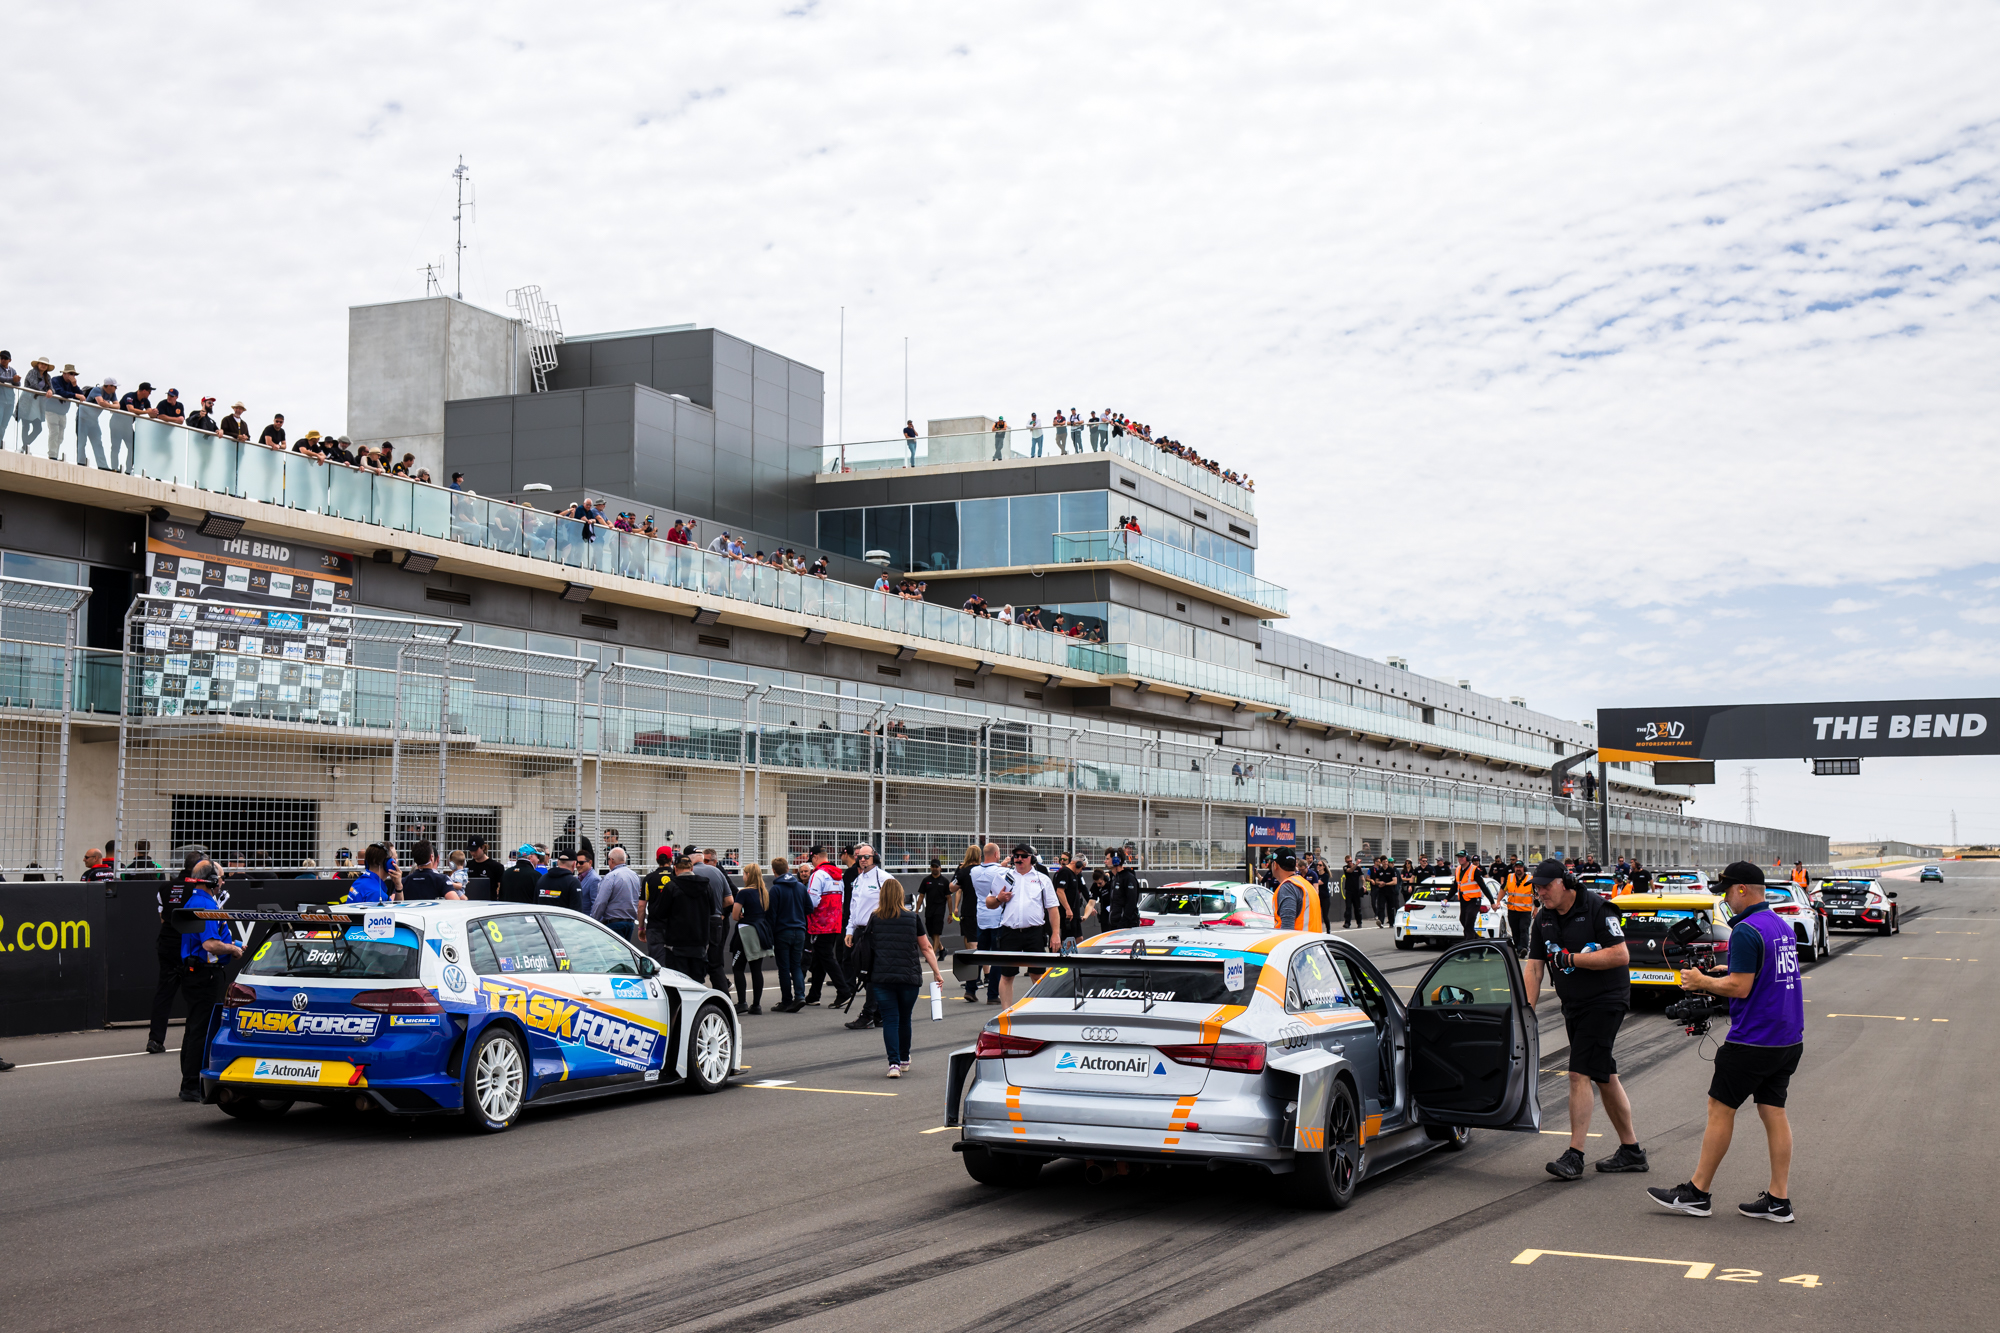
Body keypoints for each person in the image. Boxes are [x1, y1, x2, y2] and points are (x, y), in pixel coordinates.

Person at [1648, 862, 1807, 1222]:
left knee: (1720, 1109)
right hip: (1787, 1038)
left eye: (1726, 890)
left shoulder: (1746, 930)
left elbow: (1741, 987)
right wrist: (1725, 972)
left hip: (1754, 1039)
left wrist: (1702, 981)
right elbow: (1761, 974)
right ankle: (1779, 1200)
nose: (1724, 897)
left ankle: (1697, 1192)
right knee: (1773, 1111)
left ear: (1741, 890)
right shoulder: (1780, 925)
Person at [1523, 857, 1648, 1181]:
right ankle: (1631, 1151)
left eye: (1546, 886)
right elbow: (1535, 966)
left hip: (1606, 1001)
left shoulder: (1597, 909)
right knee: (1604, 1074)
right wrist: (1526, 1010)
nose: (1541, 893)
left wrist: (1572, 959)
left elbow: (1621, 954)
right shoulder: (1544, 918)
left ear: (1565, 883)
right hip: (1574, 1004)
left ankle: (1575, 1156)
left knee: (1578, 1073)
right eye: (1536, 887)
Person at [855, 879, 946, 1077]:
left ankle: (893, 1064)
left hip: (882, 977)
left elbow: (867, 946)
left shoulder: (875, 918)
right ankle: (905, 1059)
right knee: (905, 1019)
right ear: (900, 895)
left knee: (890, 1020)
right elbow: (926, 947)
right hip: (908, 977)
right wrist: (937, 972)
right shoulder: (912, 918)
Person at [174, 860, 242, 1100]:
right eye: (221, 878)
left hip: (197, 973)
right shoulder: (204, 905)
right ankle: (191, 1085)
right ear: (212, 880)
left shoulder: (198, 901)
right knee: (201, 1030)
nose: (223, 882)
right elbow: (209, 944)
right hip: (204, 975)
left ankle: (190, 1081)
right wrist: (232, 950)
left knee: (194, 1028)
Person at [145, 855, 209, 1054]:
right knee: (197, 995)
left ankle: (155, 1040)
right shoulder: (200, 890)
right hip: (188, 947)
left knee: (164, 992)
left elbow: (163, 919)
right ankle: (196, 1040)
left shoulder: (165, 887)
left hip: (167, 944)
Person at [987, 843, 1059, 1007]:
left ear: (1031, 859)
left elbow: (1053, 909)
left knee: (1038, 975)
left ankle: (1040, 1011)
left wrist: (1055, 934)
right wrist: (999, 898)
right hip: (1009, 932)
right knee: (1006, 975)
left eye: (1023, 856)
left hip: (1034, 933)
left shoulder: (1042, 879)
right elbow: (989, 902)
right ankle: (1005, 1013)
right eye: (1016, 856)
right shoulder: (1005, 877)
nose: (1019, 859)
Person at [842, 844, 890, 1030]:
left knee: (871, 974)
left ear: (874, 857)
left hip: (877, 931)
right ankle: (878, 1013)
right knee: (864, 972)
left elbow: (896, 902)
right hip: (860, 932)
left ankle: (869, 1013)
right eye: (859, 857)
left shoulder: (884, 878)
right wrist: (849, 930)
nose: (862, 860)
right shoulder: (857, 880)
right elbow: (853, 909)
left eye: (866, 857)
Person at [650, 855, 716, 981]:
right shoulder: (706, 885)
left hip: (677, 943)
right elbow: (713, 910)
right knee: (697, 981)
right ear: (691, 867)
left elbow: (660, 913)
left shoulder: (671, 886)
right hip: (700, 941)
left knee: (679, 981)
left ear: (675, 868)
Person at [802, 846, 850, 1006]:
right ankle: (814, 995)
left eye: (812, 860)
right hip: (835, 921)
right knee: (819, 959)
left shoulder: (817, 875)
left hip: (820, 923)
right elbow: (841, 900)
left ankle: (843, 991)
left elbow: (812, 901)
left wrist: (804, 910)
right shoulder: (837, 875)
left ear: (815, 857)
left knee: (826, 958)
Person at [767, 856, 811, 1012]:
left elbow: (771, 914)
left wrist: (771, 934)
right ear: (788, 869)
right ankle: (800, 996)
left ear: (774, 871)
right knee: (796, 965)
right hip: (799, 930)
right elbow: (809, 908)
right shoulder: (800, 887)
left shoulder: (776, 889)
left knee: (784, 968)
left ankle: (786, 1000)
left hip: (782, 932)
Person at [691, 848, 735, 994]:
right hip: (717, 921)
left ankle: (698, 998)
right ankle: (725, 1000)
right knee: (715, 964)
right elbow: (730, 900)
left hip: (698, 923)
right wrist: (717, 910)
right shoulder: (717, 872)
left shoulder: (690, 874)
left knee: (695, 961)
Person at [732, 861, 771, 1013]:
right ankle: (756, 1005)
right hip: (760, 931)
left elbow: (735, 915)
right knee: (756, 969)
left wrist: (741, 915)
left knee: (738, 967)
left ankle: (742, 1002)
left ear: (748, 875)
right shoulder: (764, 892)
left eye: (744, 874)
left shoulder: (744, 892)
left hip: (746, 932)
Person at [592, 846, 643, 941]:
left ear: (611, 860)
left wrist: (593, 920)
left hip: (613, 923)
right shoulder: (635, 876)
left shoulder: (611, 876)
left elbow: (601, 902)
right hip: (630, 923)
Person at [1269, 848, 1322, 931]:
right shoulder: (1306, 884)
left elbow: (1287, 928)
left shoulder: (1288, 887)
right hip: (1313, 942)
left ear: (1275, 865)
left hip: (1298, 942)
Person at [915, 857, 952, 956]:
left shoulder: (944, 881)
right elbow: (921, 896)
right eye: (933, 866)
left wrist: (950, 913)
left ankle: (933, 954)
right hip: (929, 909)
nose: (935, 868)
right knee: (931, 933)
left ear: (940, 868)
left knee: (936, 932)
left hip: (940, 910)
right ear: (930, 867)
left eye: (937, 867)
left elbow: (949, 898)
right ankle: (942, 949)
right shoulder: (926, 880)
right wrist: (917, 910)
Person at [1503, 858, 1536, 955]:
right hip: (1512, 910)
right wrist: (1497, 902)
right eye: (1517, 867)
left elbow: (1536, 895)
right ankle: (1518, 948)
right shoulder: (1510, 877)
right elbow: (1503, 889)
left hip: (1525, 911)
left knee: (1523, 929)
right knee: (1515, 931)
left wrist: (1536, 909)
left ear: (1524, 868)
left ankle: (1524, 948)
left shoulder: (1530, 879)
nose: (1518, 869)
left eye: (1520, 867)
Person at [1454, 851, 1487, 939]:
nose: (1460, 859)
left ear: (1467, 858)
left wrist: (1492, 902)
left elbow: (1483, 886)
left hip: (1474, 900)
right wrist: (1446, 898)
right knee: (1463, 921)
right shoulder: (1458, 870)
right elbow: (1455, 885)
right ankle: (1478, 940)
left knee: (1469, 923)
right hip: (1463, 900)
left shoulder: (1474, 870)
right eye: (1459, 857)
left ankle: (1469, 944)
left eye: (1462, 857)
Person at [1367, 856, 1396, 928]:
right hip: (1382, 891)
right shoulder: (1379, 871)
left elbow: (1395, 881)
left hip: (1390, 891)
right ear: (1381, 863)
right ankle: (1381, 921)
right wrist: (1379, 883)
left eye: (1386, 862)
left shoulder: (1391, 870)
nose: (1385, 863)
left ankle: (1391, 923)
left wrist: (1385, 884)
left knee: (1390, 907)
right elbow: (1376, 881)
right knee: (1381, 906)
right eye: (1384, 862)